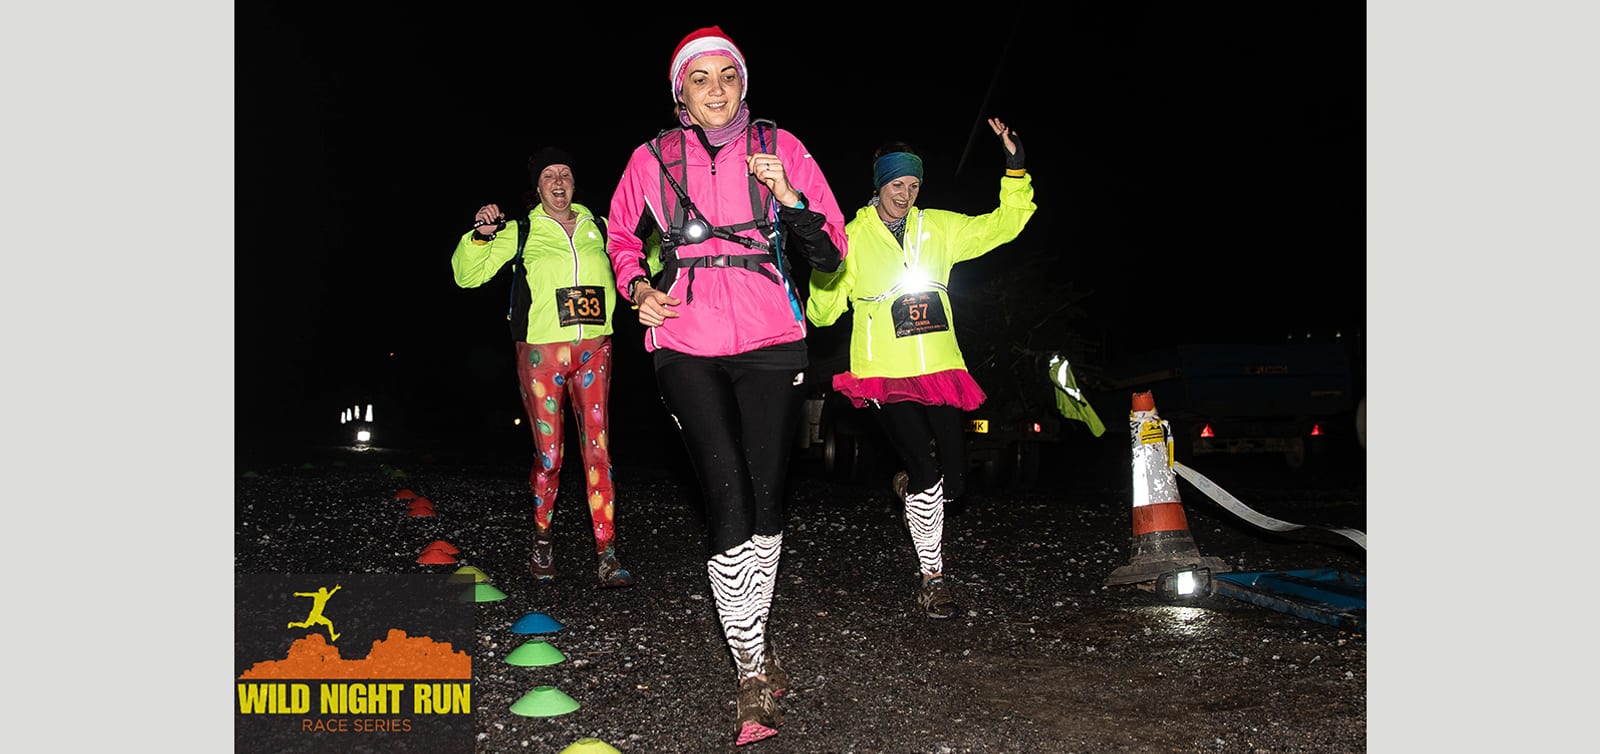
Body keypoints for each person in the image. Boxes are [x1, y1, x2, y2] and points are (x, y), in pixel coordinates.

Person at [605, 25, 847, 747]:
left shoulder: (782, 145)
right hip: (685, 338)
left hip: (773, 339)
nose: (716, 90)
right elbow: (620, 237)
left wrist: (789, 195)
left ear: (744, 84)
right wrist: (637, 286)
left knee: (767, 496)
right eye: (700, 78)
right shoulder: (652, 157)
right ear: (680, 92)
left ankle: (756, 639)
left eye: (728, 76)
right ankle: (749, 672)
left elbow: (830, 252)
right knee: (728, 491)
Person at [805, 118, 1036, 619]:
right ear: (879, 185)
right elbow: (821, 314)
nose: (905, 195)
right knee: (929, 472)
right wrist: (825, 268)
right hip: (885, 373)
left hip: (940, 368)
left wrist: (1015, 167)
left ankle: (913, 488)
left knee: (956, 483)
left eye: (913, 186)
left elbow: (1004, 224)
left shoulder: (941, 228)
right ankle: (934, 580)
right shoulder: (852, 237)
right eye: (897, 185)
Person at [451, 147, 635, 589]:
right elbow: (466, 276)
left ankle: (607, 554)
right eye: (549, 175)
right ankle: (542, 541)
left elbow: (641, 259)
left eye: (565, 174)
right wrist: (480, 236)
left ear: (574, 183)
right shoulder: (522, 230)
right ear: (537, 186)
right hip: (541, 355)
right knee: (550, 457)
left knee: (599, 453)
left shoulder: (601, 227)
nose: (558, 181)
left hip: (595, 349)